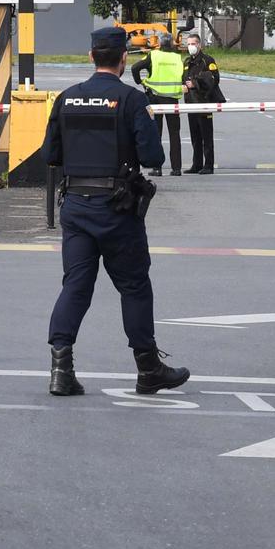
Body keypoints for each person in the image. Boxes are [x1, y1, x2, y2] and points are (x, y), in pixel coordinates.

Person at [44, 26, 192, 399]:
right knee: (134, 286)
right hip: (117, 209)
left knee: (75, 286)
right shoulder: (130, 101)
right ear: (124, 58)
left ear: (91, 56)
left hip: (76, 206)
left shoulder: (66, 99)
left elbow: (51, 156)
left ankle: (61, 370)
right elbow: (153, 158)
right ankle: (147, 369)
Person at [129, 34, 185, 176]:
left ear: (159, 44)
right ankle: (176, 168)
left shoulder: (153, 55)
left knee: (156, 132)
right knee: (174, 133)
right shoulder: (177, 57)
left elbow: (135, 68)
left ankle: (157, 168)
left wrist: (140, 82)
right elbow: (182, 76)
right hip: (172, 98)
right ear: (172, 44)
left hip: (154, 97)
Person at [182, 30, 224, 174]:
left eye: (193, 44)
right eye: (188, 44)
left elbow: (214, 79)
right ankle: (197, 164)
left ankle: (209, 165)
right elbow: (184, 78)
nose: (191, 46)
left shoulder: (208, 60)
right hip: (190, 102)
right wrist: (184, 86)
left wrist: (195, 84)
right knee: (195, 136)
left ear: (199, 45)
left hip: (204, 102)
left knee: (206, 135)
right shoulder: (187, 61)